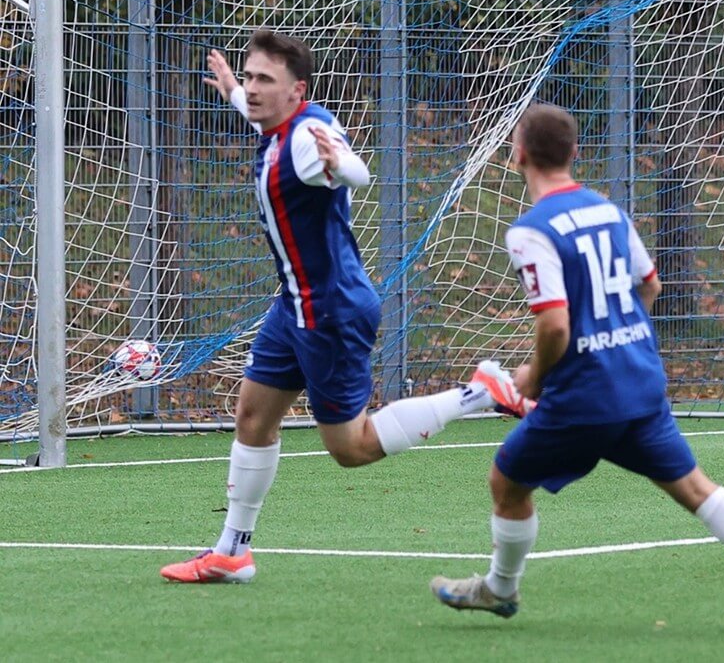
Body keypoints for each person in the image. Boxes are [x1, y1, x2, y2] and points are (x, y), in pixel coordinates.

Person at [160, 30, 530, 584]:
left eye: (266, 80)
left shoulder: (309, 142)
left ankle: (480, 392)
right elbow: (258, 106)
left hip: (330, 311)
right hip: (295, 305)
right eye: (251, 76)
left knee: (351, 447)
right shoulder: (285, 118)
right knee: (253, 417)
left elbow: (354, 170)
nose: (254, 89)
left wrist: (345, 165)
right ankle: (232, 551)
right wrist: (235, 90)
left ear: (296, 91)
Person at [427, 103, 724, 632]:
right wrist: (616, 337)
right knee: (695, 487)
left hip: (584, 396)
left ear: (517, 155)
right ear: (575, 153)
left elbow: (556, 326)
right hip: (638, 379)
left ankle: (500, 590)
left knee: (507, 480)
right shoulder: (609, 210)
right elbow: (650, 285)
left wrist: (532, 375)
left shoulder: (530, 231)